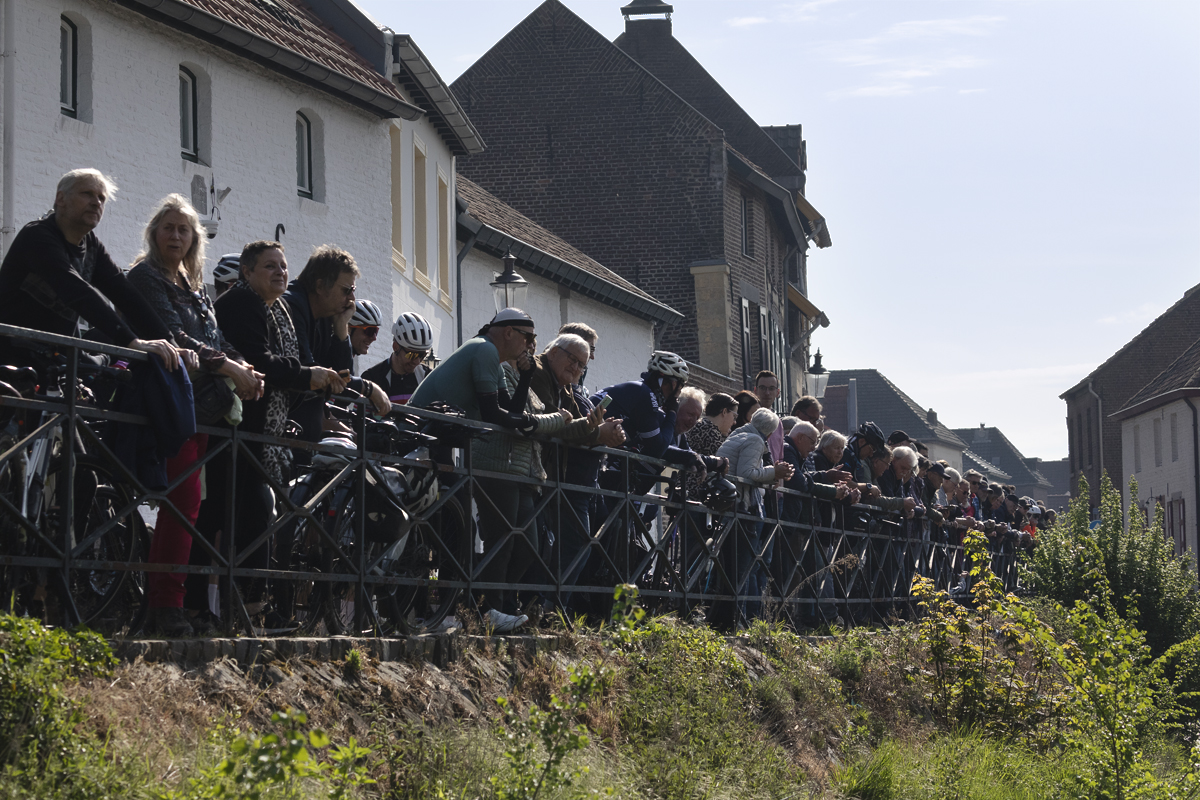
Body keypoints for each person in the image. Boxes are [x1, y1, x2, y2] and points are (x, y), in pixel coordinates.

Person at [126, 194, 264, 637]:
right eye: (168, 227)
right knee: (182, 504)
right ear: (154, 233)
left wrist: (247, 367)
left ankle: (174, 602)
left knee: (192, 505)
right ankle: (165, 605)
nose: (176, 235)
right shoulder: (146, 278)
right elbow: (173, 333)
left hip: (200, 404)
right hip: (162, 402)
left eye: (184, 229)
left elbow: (215, 336)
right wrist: (230, 367)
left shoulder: (192, 286)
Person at [192, 240, 347, 625]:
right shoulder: (243, 304)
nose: (280, 272)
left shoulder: (276, 309)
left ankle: (247, 607)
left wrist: (310, 375)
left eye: (283, 265)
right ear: (246, 273)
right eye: (269, 266)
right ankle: (203, 605)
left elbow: (293, 363)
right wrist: (306, 377)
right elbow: (260, 361)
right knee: (217, 516)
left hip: (259, 430)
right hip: (233, 427)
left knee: (252, 515)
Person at [409, 308, 551, 632]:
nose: (531, 346)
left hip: (437, 436)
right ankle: (457, 611)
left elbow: (509, 411)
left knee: (458, 528)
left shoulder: (495, 361)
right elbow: (492, 414)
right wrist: (532, 423)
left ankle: (477, 610)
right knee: (451, 528)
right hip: (422, 434)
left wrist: (527, 380)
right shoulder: (484, 349)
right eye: (527, 337)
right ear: (508, 333)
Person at [0, 168, 182, 371]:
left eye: (101, 198)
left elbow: (125, 293)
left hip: (53, 361)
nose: (96, 202)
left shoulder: (91, 245)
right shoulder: (37, 237)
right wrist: (131, 341)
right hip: (11, 360)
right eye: (87, 194)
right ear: (61, 199)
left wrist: (169, 343)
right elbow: (77, 291)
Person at [526, 333, 624, 604]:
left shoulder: (566, 386)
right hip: (532, 471)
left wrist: (600, 429)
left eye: (582, 365)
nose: (577, 369)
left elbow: (572, 428)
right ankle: (535, 605)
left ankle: (549, 606)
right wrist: (597, 432)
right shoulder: (537, 372)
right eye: (573, 360)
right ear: (554, 351)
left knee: (572, 543)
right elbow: (552, 423)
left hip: (551, 475)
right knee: (531, 543)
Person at [281, 246, 389, 444]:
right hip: (283, 434)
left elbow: (341, 376)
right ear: (320, 286)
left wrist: (341, 328)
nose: (352, 300)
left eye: (353, 291)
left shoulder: (326, 313)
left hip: (301, 435)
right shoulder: (292, 305)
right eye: (346, 290)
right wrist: (368, 387)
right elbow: (312, 374)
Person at [361, 312, 433, 405]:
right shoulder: (372, 378)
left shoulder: (428, 377)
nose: (417, 361)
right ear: (396, 347)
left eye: (422, 355)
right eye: (412, 355)